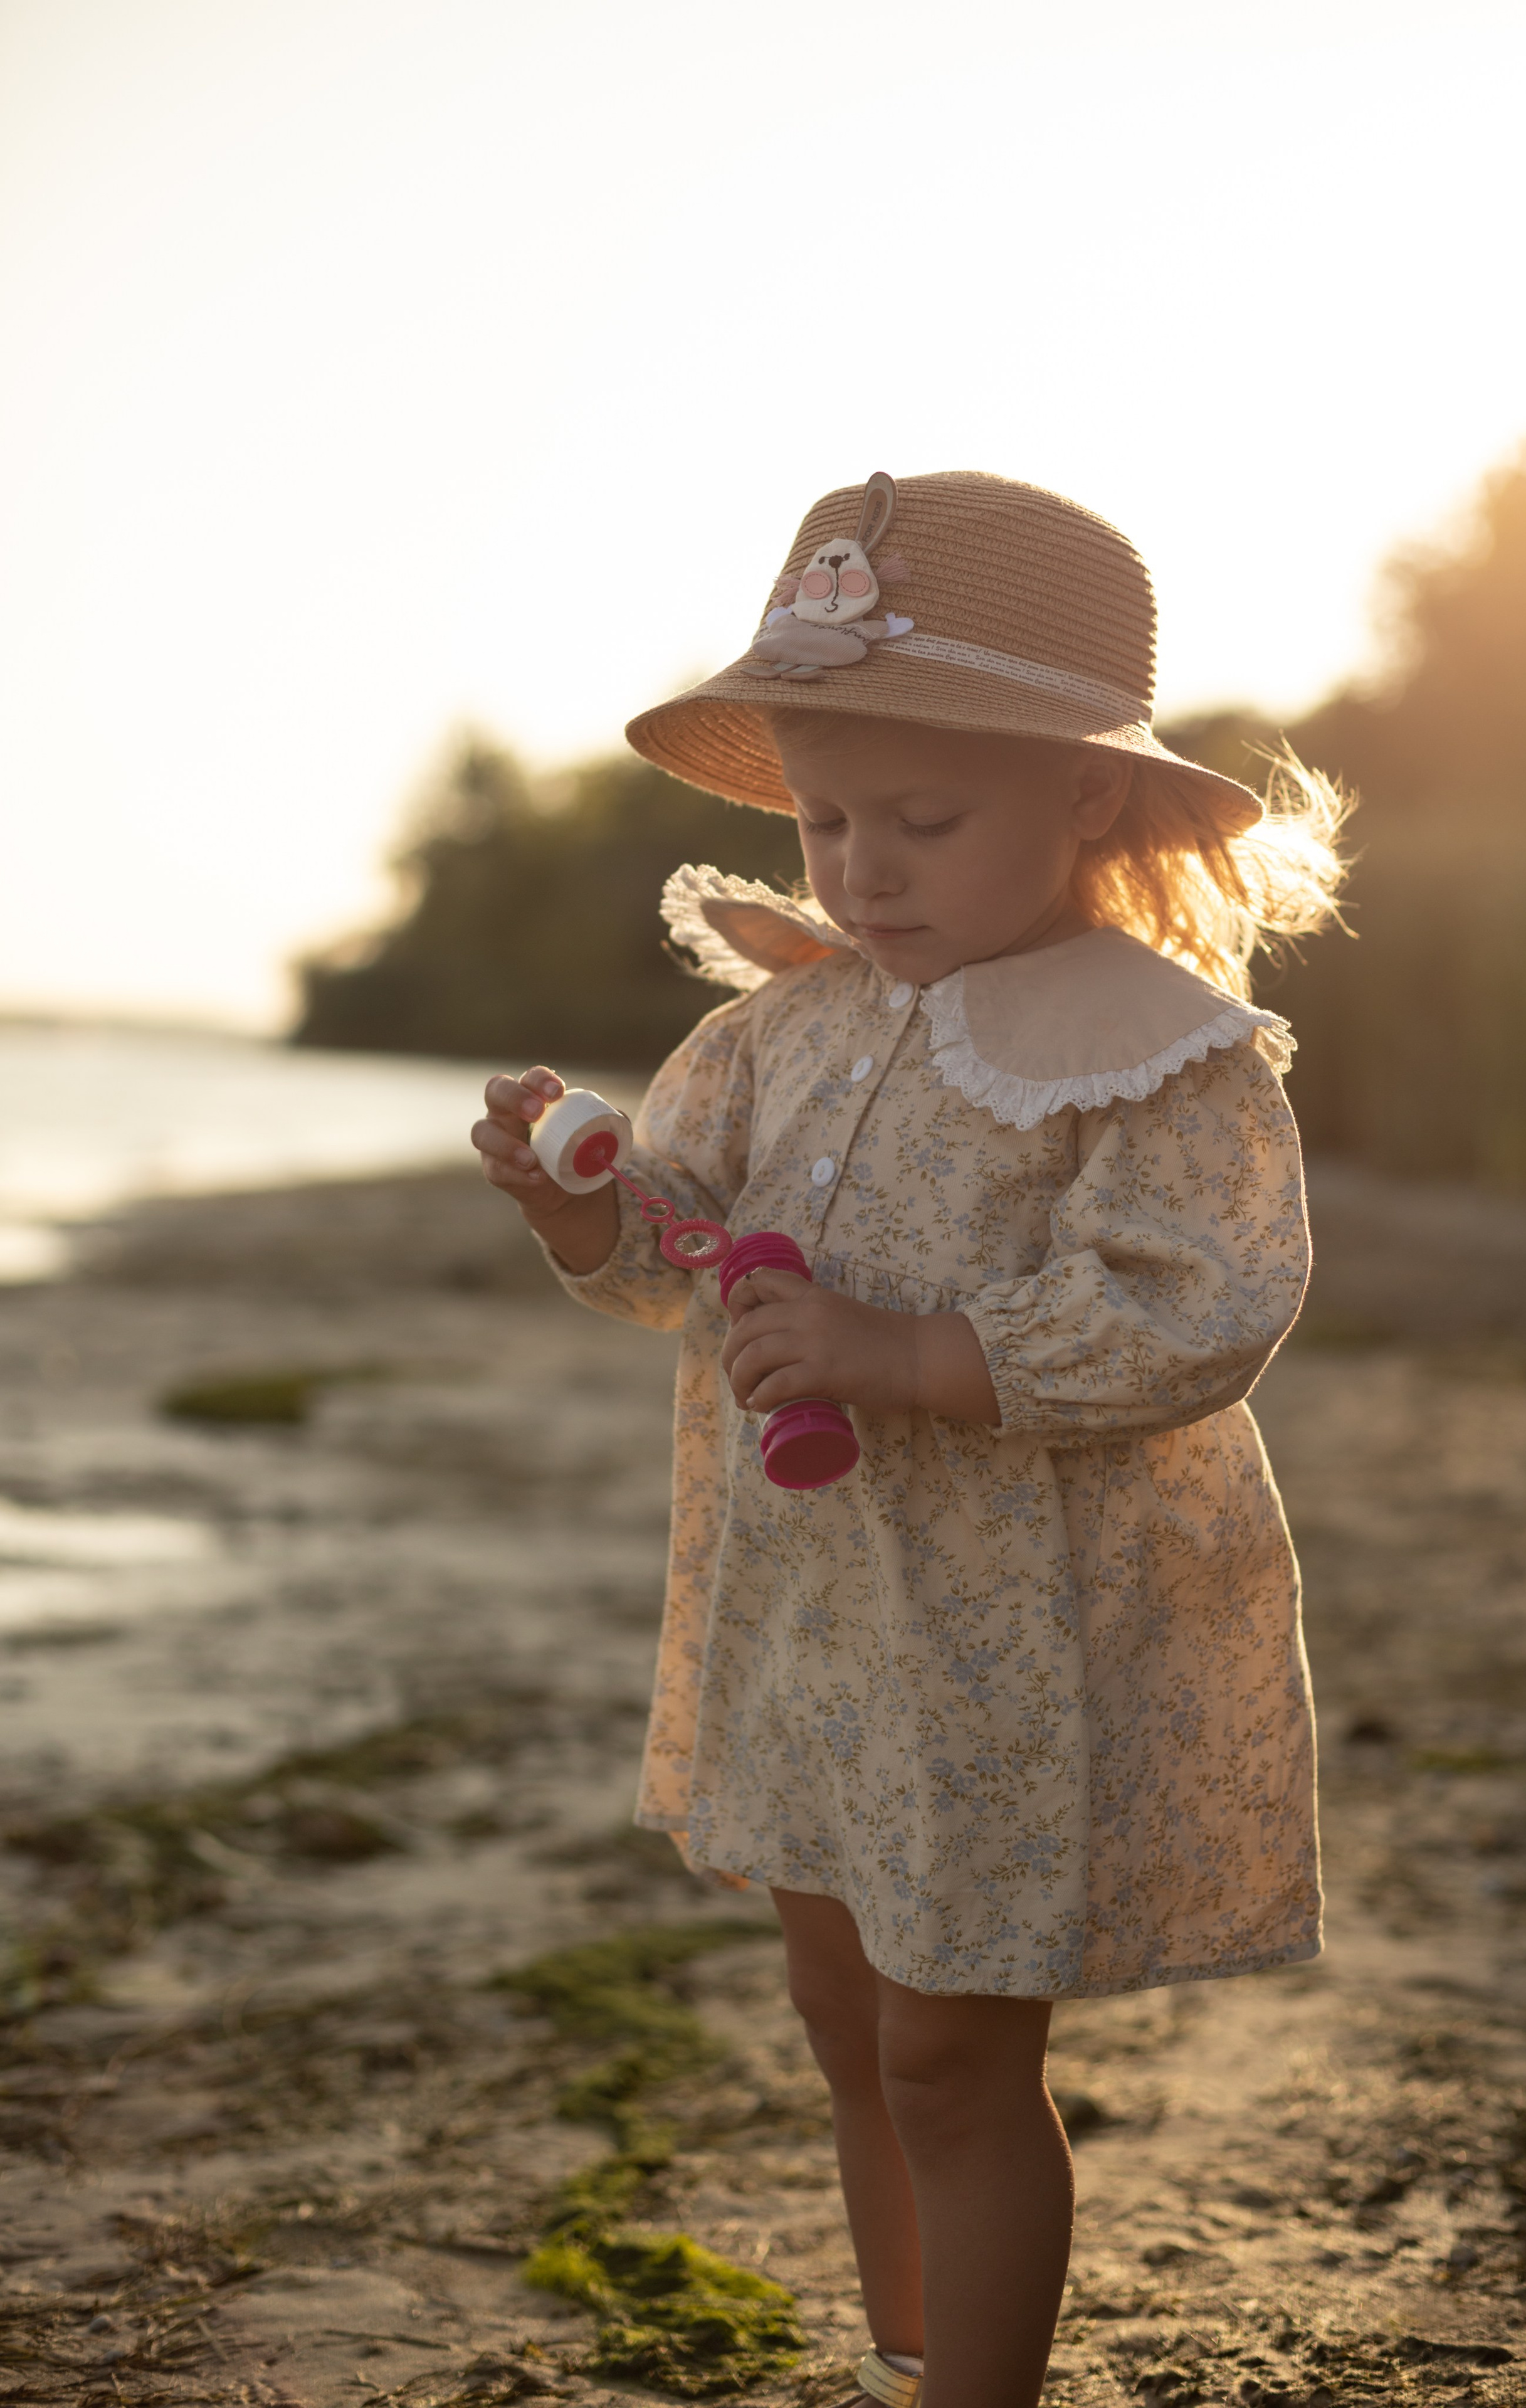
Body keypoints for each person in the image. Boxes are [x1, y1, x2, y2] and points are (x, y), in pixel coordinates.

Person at [471, 473, 1347, 2408]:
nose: (862, 871)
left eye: (923, 823)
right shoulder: (790, 1027)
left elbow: (1202, 1305)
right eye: (827, 818)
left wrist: (917, 1348)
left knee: (957, 2055)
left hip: (1009, 1643)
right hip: (819, 1618)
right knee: (844, 2011)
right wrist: (585, 1207)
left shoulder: (1155, 1050)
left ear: (1090, 798)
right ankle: (901, 2356)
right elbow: (687, 1248)